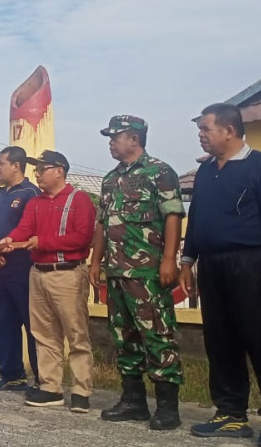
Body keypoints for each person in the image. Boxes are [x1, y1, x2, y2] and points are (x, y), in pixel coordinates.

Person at [180, 103, 261, 446]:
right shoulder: (205, 172)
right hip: (212, 266)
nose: (201, 135)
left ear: (229, 131)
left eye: (206, 129)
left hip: (251, 262)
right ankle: (231, 413)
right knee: (220, 340)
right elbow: (196, 216)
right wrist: (187, 260)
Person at [89, 115, 185, 430]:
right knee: (123, 337)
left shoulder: (159, 172)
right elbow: (102, 223)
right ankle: (133, 401)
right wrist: (95, 262)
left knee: (157, 335)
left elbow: (172, 216)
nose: (110, 143)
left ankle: (168, 407)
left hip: (147, 272)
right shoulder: (109, 179)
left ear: (134, 138)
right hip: (116, 272)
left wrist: (169, 258)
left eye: (115, 137)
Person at [0, 150, 95, 413]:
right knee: (44, 334)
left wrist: (44, 242)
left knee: (76, 334)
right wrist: (11, 240)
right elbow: (24, 230)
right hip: (38, 272)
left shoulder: (80, 199)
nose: (37, 174)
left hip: (67, 273)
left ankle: (81, 390)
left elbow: (82, 238)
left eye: (42, 169)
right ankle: (51, 387)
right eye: (37, 170)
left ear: (60, 170)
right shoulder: (36, 203)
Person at [0, 146, 41, 392]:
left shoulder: (30, 193)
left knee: (31, 324)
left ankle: (41, 378)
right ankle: (12, 375)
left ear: (16, 165)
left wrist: (7, 248)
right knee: (5, 322)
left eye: (1, 163)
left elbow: (31, 228)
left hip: (23, 266)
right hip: (0, 266)